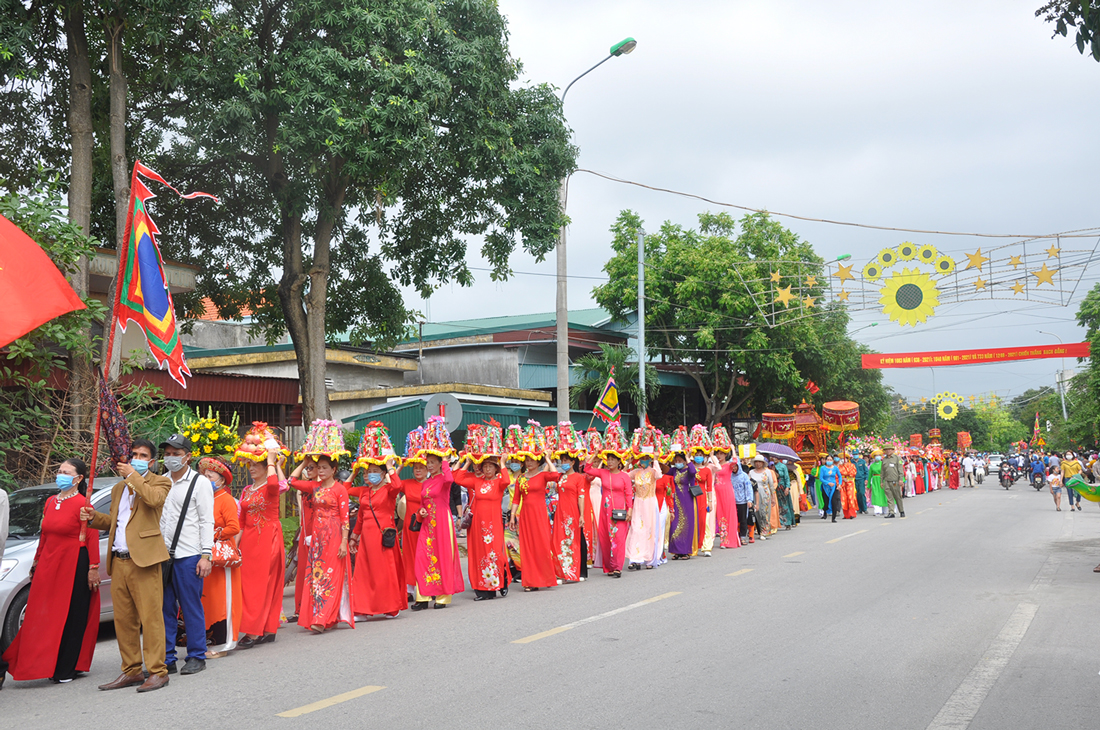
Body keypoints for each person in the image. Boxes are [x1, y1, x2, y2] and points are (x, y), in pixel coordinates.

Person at [84, 439, 173, 693]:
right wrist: (93, 518)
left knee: (151, 619)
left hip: (144, 560)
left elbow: (154, 501)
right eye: (133, 454)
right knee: (124, 621)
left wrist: (134, 475)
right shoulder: (119, 488)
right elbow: (114, 522)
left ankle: (158, 671)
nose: (136, 458)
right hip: (118, 560)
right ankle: (132, 670)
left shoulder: (159, 482)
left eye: (142, 455)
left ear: (152, 462)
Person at [1, 459, 100, 687]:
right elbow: (44, 535)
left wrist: (93, 567)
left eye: (66, 472)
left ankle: (67, 666)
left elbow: (92, 537)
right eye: (59, 471)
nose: (60, 475)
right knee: (45, 614)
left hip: (74, 562)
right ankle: (44, 661)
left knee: (72, 615)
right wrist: (36, 561)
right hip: (49, 563)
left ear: (78, 479)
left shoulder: (83, 504)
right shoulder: (49, 501)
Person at [159, 434, 215, 676]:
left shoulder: (199, 483)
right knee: (164, 608)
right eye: (167, 454)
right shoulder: (160, 481)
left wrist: (206, 554)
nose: (171, 458)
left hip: (189, 554)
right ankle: (166, 657)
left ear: (188, 457)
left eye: (176, 454)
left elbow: (206, 520)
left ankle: (196, 655)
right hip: (162, 555)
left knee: (191, 606)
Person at [289, 456, 353, 632]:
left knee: (331, 576)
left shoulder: (340, 490)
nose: (321, 471)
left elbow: (345, 518)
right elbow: (291, 481)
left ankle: (322, 618)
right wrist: (304, 462)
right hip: (317, 537)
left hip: (334, 536)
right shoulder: (314, 487)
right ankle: (323, 616)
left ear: (334, 470)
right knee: (316, 577)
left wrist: (344, 542)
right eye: (318, 467)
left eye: (325, 467)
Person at [237, 443, 287, 648]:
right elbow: (241, 520)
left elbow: (277, 485)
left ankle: (256, 631)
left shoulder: (270, 487)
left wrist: (271, 461)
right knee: (248, 586)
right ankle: (266, 628)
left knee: (262, 585)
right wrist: (234, 546)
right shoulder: (247, 490)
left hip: (268, 539)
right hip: (248, 541)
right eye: (250, 464)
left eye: (256, 464)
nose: (251, 468)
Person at [349, 459, 408, 615]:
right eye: (369, 472)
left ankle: (390, 607)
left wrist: (390, 467)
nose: (371, 474)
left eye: (375, 471)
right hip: (366, 538)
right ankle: (363, 608)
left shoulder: (389, 490)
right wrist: (354, 537)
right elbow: (345, 490)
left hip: (382, 535)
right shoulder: (364, 491)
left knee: (384, 572)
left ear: (383, 473)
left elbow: (398, 486)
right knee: (364, 573)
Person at [198, 457, 242, 657]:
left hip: (220, 557)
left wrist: (212, 534)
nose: (206, 479)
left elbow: (234, 527)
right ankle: (208, 640)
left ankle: (224, 644)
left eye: (210, 476)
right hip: (205, 555)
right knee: (208, 599)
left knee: (223, 599)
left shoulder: (225, 499)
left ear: (222, 480)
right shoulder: (204, 498)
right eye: (203, 475)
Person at [452, 455, 511, 599]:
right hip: (478, 524)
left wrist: (502, 463)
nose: (488, 469)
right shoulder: (477, 481)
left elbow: (506, 480)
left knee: (495, 553)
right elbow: (457, 478)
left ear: (496, 468)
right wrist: (466, 462)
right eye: (485, 466)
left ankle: (501, 579)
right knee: (480, 554)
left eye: (491, 466)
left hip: (493, 524)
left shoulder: (498, 482)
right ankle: (483, 588)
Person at [413, 453, 465, 606]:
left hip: (442, 522)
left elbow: (450, 479)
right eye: (427, 462)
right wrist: (421, 511)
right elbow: (422, 503)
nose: (429, 465)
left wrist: (444, 462)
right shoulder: (426, 482)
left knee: (443, 557)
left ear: (439, 463)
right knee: (422, 557)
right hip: (427, 524)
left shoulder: (444, 479)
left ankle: (443, 597)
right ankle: (423, 597)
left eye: (432, 462)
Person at [584, 451, 634, 576]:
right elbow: (587, 469)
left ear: (619, 462)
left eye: (613, 459)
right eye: (608, 459)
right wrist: (595, 455)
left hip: (620, 510)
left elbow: (629, 494)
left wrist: (630, 509)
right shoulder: (603, 473)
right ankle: (609, 567)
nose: (610, 462)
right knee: (606, 537)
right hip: (606, 510)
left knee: (618, 538)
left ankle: (618, 567)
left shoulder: (625, 476)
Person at [549, 453, 589, 581]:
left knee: (572, 540)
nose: (563, 462)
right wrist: (548, 459)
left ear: (573, 462)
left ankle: (573, 572)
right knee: (558, 540)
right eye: (562, 460)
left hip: (573, 512)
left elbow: (581, 497)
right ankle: (561, 571)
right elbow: (551, 477)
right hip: (560, 511)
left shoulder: (578, 477)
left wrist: (582, 514)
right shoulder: (560, 477)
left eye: (566, 460)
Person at [624, 454, 662, 570]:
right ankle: (635, 558)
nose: (644, 461)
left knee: (650, 529)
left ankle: (649, 558)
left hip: (650, 503)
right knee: (636, 529)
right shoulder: (636, 472)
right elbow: (623, 476)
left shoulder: (653, 472)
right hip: (638, 504)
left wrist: (655, 460)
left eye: (646, 459)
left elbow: (659, 475)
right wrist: (628, 463)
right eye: (642, 458)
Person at [666, 450, 698, 557]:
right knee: (675, 524)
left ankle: (685, 551)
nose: (677, 462)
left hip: (688, 499)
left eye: (680, 460)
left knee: (687, 525)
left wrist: (688, 459)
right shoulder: (674, 470)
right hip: (676, 500)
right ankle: (676, 550)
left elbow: (694, 472)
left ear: (684, 461)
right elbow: (664, 472)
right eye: (676, 460)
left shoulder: (689, 469)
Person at [710, 450, 742, 547]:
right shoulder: (715, 465)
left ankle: (731, 540)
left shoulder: (729, 465)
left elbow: (735, 461)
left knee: (729, 514)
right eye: (717, 454)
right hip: (716, 492)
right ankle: (723, 540)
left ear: (726, 454)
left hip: (727, 491)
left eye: (721, 454)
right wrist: (711, 456)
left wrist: (732, 449)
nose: (719, 456)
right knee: (720, 515)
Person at [748, 455, 776, 538]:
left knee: (765, 512)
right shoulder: (751, 472)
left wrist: (773, 497)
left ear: (763, 463)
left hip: (765, 493)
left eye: (760, 462)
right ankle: (759, 529)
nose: (758, 464)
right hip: (754, 493)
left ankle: (765, 531)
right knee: (756, 513)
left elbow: (771, 485)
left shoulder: (767, 472)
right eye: (756, 462)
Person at [881, 445, 905, 518]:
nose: (888, 451)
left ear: (892, 450)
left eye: (889, 449)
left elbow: (900, 470)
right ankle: (891, 512)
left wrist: (901, 479)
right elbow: (882, 472)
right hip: (887, 481)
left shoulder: (897, 458)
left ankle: (901, 511)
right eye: (886, 450)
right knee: (889, 497)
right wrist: (881, 481)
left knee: (897, 497)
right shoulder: (884, 460)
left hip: (895, 481)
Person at [817, 456, 841, 523]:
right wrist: (827, 483)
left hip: (834, 487)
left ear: (833, 460)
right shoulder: (822, 468)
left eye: (830, 459)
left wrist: (839, 484)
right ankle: (825, 511)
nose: (829, 461)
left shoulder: (835, 468)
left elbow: (839, 476)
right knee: (826, 502)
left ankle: (833, 518)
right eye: (828, 459)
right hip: (825, 487)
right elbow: (821, 478)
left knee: (834, 502)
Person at [775, 457, 795, 529]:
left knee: (785, 505)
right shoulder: (769, 467)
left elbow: (787, 477)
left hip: (782, 488)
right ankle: (777, 523)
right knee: (776, 506)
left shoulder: (783, 466)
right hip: (774, 489)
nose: (774, 459)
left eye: (775, 457)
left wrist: (787, 487)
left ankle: (788, 522)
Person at [838, 453, 858, 520]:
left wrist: (846, 475)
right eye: (841, 459)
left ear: (847, 459)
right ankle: (846, 515)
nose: (843, 460)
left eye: (844, 458)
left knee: (850, 498)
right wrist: (842, 478)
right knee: (843, 499)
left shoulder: (852, 465)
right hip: (842, 483)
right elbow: (837, 475)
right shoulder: (839, 467)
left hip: (849, 483)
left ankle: (852, 514)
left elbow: (853, 473)